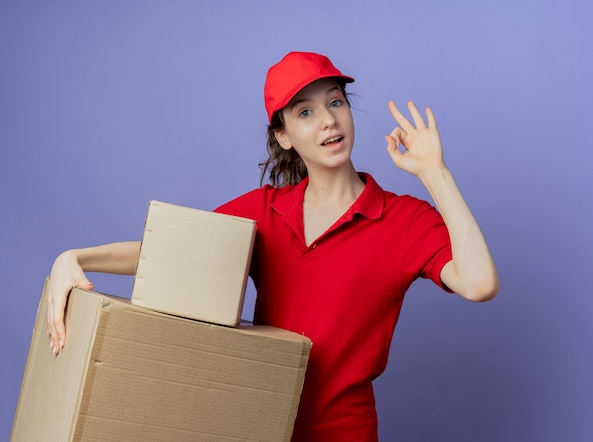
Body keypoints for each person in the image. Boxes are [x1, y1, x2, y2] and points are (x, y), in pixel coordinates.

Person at [46, 51, 499, 441]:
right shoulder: (263, 211)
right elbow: (168, 253)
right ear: (282, 135)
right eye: (305, 112)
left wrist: (435, 174)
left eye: (335, 102)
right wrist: (78, 258)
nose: (327, 121)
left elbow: (478, 283)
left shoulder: (403, 220)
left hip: (344, 432)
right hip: (255, 424)